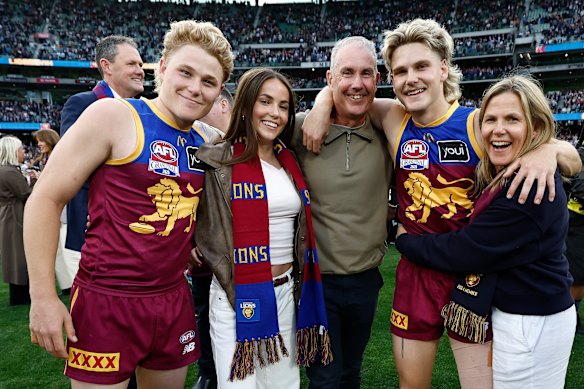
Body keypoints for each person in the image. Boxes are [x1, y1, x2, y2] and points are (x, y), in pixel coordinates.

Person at [303, 19, 581, 389]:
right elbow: (348, 91)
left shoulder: (477, 123)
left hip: (471, 275)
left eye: (421, 66)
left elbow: (570, 157)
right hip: (415, 274)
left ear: (444, 69)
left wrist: (548, 150)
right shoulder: (393, 118)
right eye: (400, 71)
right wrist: (322, 103)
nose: (410, 78)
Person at [24, 20, 234, 388]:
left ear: (218, 93)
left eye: (208, 82)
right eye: (186, 72)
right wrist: (41, 295)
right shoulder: (115, 116)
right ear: (163, 68)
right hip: (107, 300)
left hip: (172, 299)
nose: (194, 88)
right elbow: (45, 198)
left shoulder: (207, 139)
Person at [394, 74, 576, 389]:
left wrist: (405, 241)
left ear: (535, 128)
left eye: (512, 119)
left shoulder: (529, 187)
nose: (498, 128)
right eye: (490, 119)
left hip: (530, 320)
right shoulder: (513, 171)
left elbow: (465, 250)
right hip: (524, 312)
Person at [193, 67, 331, 389]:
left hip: (286, 293)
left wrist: (323, 98)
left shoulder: (290, 161)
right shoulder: (215, 160)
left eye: (283, 106)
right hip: (234, 294)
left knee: (284, 385)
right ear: (245, 104)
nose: (275, 113)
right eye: (265, 101)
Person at [291, 36, 392, 389]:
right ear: (330, 78)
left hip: (366, 279)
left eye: (366, 73)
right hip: (318, 281)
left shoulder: (387, 131)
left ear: (377, 81)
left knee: (351, 371)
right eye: (346, 73)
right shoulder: (300, 128)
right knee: (324, 379)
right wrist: (319, 107)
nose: (357, 83)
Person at [60, 35, 144, 254]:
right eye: (131, 64)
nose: (140, 70)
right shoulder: (82, 103)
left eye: (140, 65)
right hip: (97, 231)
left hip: (139, 228)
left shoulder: (145, 111)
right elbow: (70, 162)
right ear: (107, 66)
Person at [190, 88, 233, 389]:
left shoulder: (252, 141)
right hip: (207, 255)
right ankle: (208, 372)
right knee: (204, 314)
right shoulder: (194, 140)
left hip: (248, 256)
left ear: (222, 104)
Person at [0, 136, 34, 305]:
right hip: (15, 215)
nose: (23, 153)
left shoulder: (6, 170)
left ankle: (18, 293)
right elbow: (25, 193)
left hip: (10, 214)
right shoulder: (9, 171)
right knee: (18, 254)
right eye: (21, 150)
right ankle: (21, 295)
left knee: (13, 254)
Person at [566, 140, 584, 335]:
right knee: (578, 274)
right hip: (577, 220)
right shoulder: (580, 153)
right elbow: (577, 184)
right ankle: (573, 315)